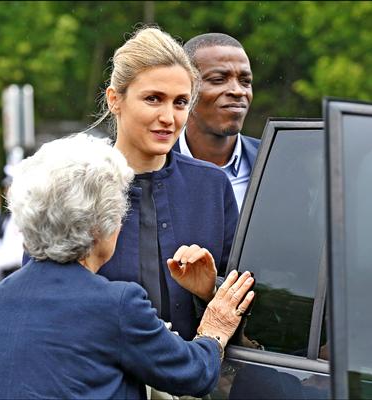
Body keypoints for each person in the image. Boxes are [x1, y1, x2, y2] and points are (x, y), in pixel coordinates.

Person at [0, 134, 255, 399]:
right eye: (119, 213)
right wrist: (214, 328)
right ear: (98, 227)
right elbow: (193, 375)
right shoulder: (116, 304)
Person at [86, 27, 239, 341]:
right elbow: (41, 294)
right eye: (153, 99)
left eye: (180, 102)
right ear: (115, 100)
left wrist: (209, 289)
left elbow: (243, 294)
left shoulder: (211, 186)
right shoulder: (76, 188)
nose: (169, 117)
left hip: (195, 378)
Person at [174, 33, 260, 211]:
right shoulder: (153, 166)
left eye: (245, 81)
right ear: (185, 88)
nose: (238, 91)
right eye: (218, 79)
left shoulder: (274, 163)